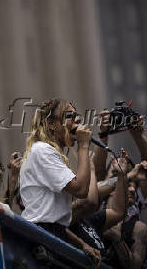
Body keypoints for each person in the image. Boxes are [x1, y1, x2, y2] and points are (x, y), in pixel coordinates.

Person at [19, 98, 101, 265]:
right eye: (69, 115)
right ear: (51, 124)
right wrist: (83, 147)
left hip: (52, 232)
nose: (77, 120)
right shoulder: (43, 151)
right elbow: (81, 190)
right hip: (43, 234)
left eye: (77, 116)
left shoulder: (49, 153)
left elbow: (55, 218)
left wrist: (82, 244)